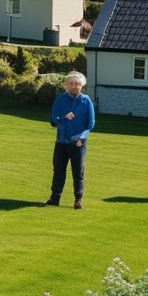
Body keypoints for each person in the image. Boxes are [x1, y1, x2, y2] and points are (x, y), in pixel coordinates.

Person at [43, 71, 95, 210]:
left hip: (78, 144)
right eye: (71, 84)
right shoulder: (60, 100)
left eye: (77, 84)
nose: (74, 86)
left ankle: (78, 199)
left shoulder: (86, 101)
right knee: (58, 170)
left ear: (82, 86)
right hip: (61, 142)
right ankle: (55, 197)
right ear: (66, 85)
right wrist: (64, 118)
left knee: (78, 172)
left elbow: (90, 124)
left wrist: (81, 139)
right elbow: (53, 121)